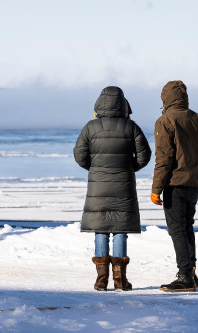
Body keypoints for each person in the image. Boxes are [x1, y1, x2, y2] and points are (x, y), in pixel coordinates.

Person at [74, 86, 151, 291]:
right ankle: (120, 280)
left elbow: (79, 156)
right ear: (124, 105)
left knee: (100, 228)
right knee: (120, 229)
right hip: (123, 185)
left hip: (98, 187)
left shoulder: (90, 127)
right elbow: (144, 156)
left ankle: (101, 280)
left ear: (99, 104)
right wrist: (129, 168)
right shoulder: (131, 127)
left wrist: (96, 168)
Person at [150, 80, 198, 292]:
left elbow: (164, 159)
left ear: (165, 98)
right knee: (186, 227)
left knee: (177, 229)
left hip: (175, 184)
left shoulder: (165, 121)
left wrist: (156, 188)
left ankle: (185, 276)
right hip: (193, 183)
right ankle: (190, 272)